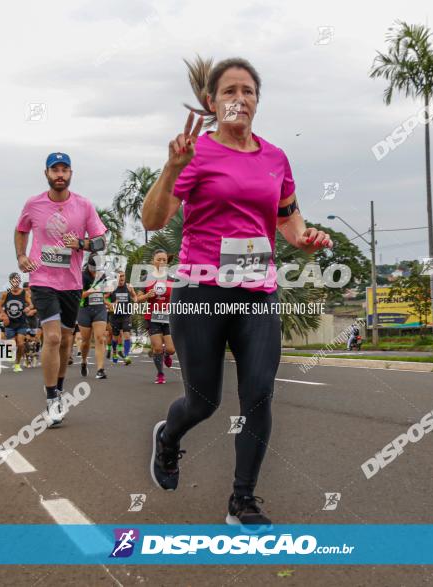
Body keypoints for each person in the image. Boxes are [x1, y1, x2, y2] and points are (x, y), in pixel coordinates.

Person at [142, 56, 332, 529]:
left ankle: (242, 499)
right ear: (211, 102)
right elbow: (153, 220)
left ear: (257, 101)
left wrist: (305, 237)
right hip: (200, 292)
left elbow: (288, 219)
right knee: (203, 402)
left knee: (259, 396)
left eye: (248, 91)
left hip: (257, 293)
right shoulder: (196, 154)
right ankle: (168, 439)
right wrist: (171, 168)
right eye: (229, 91)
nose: (240, 99)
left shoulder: (275, 158)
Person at [15, 152, 107, 426]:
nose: (60, 174)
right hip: (42, 280)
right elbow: (21, 230)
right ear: (46, 174)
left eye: (64, 169)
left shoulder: (84, 205)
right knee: (53, 338)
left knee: (67, 340)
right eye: (54, 169)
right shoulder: (34, 204)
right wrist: (21, 256)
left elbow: (101, 241)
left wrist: (80, 244)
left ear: (71, 174)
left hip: (72, 283)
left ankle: (58, 385)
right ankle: (52, 398)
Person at [135, 249, 175, 384]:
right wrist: (146, 296)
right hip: (152, 317)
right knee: (157, 347)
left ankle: (167, 355)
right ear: (153, 261)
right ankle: (160, 373)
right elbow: (137, 299)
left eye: (164, 260)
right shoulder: (145, 278)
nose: (162, 262)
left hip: (168, 317)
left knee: (171, 349)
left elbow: (177, 297)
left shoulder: (171, 278)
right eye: (159, 259)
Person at [78, 255, 109, 379]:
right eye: (93, 268)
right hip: (85, 309)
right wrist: (90, 291)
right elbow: (79, 295)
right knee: (85, 341)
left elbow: (105, 292)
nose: (96, 271)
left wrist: (107, 297)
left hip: (99, 309)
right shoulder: (82, 276)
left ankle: (100, 369)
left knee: (100, 338)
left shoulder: (102, 275)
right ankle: (84, 361)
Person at [0, 272, 34, 372]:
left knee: (21, 344)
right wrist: (4, 315)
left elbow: (31, 305)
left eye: (17, 280)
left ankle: (17, 364)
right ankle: (10, 352)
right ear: (10, 282)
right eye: (14, 280)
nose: (16, 282)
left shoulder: (24, 293)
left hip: (21, 322)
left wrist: (28, 308)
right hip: (10, 323)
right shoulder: (6, 293)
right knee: (12, 344)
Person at [108, 269, 136, 365]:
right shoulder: (111, 288)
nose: (121, 278)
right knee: (115, 338)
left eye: (123, 276)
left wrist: (135, 302)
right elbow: (104, 299)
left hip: (126, 315)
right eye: (119, 276)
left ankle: (127, 355)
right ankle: (115, 352)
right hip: (115, 316)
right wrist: (111, 304)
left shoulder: (129, 287)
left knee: (127, 334)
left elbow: (134, 296)